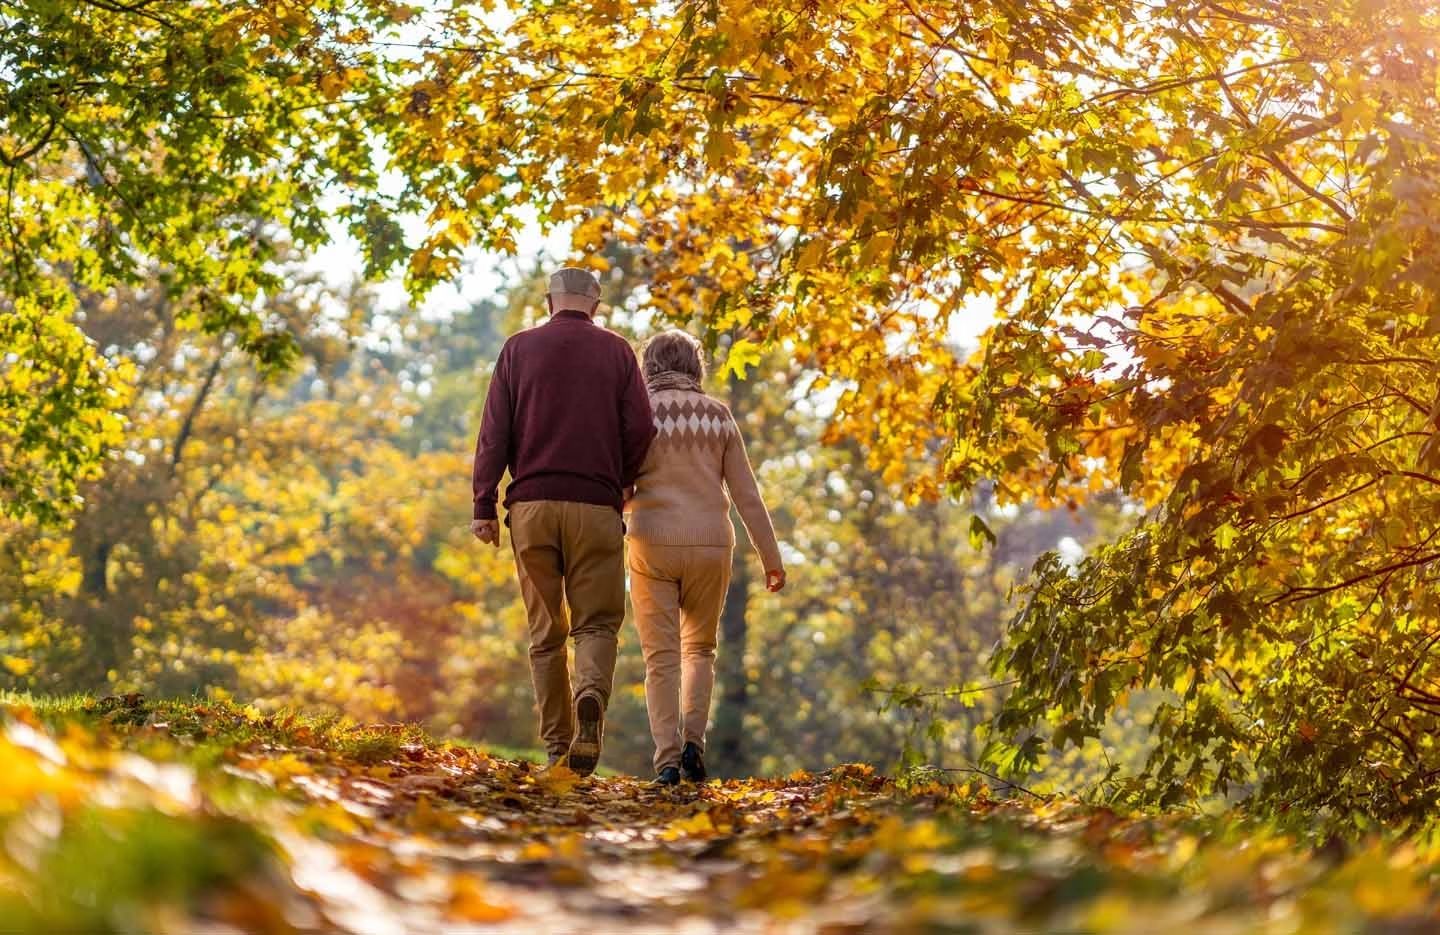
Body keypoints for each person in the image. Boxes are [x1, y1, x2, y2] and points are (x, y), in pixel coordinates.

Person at [470, 266, 655, 776]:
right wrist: (622, 476)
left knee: (545, 633)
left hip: (531, 507)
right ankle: (590, 695)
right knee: (596, 622)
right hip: (596, 507)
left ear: (550, 301)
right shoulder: (618, 351)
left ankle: (557, 747)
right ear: (595, 306)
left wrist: (484, 504)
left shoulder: (517, 349)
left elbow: (494, 433)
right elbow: (642, 427)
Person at [625, 330, 785, 786]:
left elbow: (620, 483)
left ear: (649, 365)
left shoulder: (638, 414)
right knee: (701, 649)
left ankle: (667, 761)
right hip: (713, 543)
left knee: (661, 658)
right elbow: (746, 495)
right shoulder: (718, 416)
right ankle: (695, 742)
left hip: (651, 542)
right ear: (696, 366)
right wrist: (771, 558)